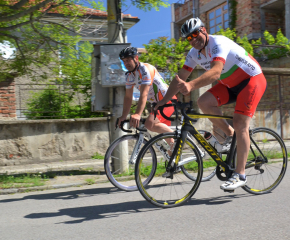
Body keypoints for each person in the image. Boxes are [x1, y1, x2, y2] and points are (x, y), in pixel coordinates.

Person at [155, 17, 267, 191]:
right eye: (189, 38)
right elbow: (179, 79)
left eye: (195, 34)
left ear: (204, 30)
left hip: (251, 80)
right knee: (204, 102)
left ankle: (240, 174)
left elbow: (215, 72)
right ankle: (230, 135)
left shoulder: (218, 42)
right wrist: (163, 100)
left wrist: (191, 85)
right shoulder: (193, 54)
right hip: (230, 84)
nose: (193, 39)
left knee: (240, 123)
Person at [117, 46, 177, 150]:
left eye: (128, 60)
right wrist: (123, 116)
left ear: (136, 58)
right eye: (124, 61)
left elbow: (143, 94)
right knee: (169, 143)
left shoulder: (145, 69)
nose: (126, 63)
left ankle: (177, 136)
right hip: (157, 105)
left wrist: (137, 114)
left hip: (167, 100)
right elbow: (128, 97)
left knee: (149, 124)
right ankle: (175, 164)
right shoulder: (129, 76)